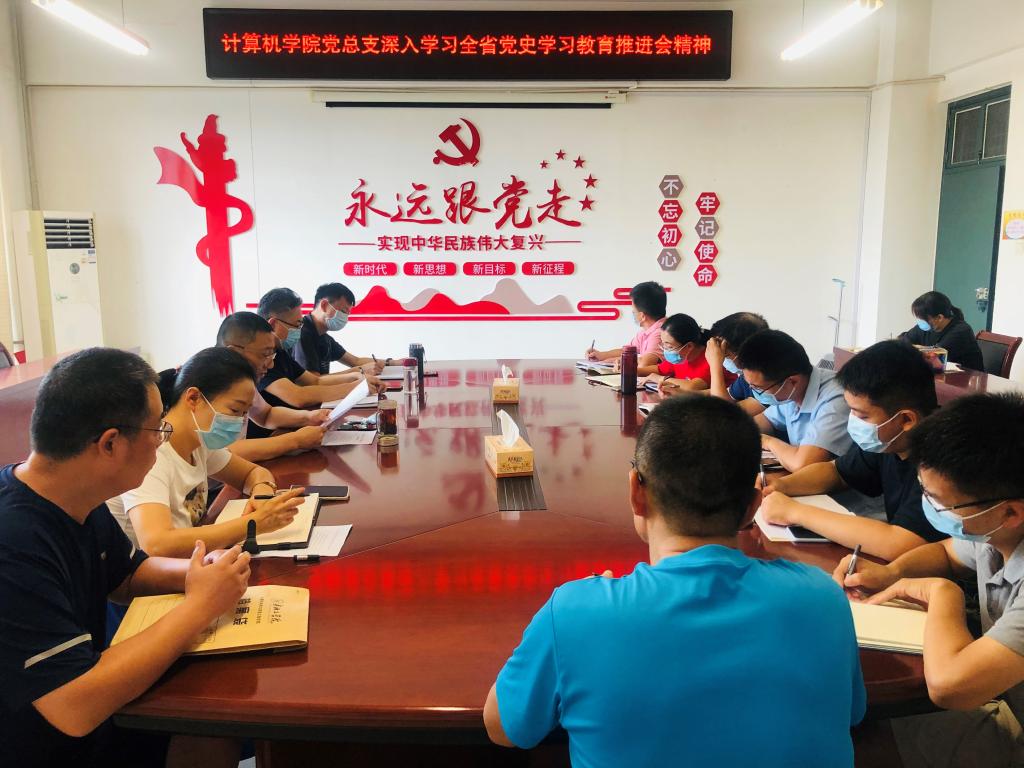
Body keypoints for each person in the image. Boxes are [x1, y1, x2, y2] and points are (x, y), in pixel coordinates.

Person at [485, 396, 865, 766]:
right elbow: (851, 713)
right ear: (752, 507)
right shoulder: (825, 598)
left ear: (636, 492)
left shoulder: (576, 613)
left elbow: (504, 729)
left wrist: (587, 600)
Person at [0, 348, 252, 767]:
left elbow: (128, 574)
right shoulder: (14, 542)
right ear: (110, 444)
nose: (161, 440)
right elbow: (73, 706)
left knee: (220, 720)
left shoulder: (75, 495)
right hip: (51, 740)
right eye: (157, 430)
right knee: (216, 717)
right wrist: (200, 606)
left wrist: (200, 572)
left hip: (90, 710)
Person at [835, 393, 1024, 768]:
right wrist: (891, 573)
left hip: (1010, 720)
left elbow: (949, 687)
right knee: (846, 730)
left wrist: (943, 594)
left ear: (1010, 513)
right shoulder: (994, 529)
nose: (931, 508)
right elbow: (947, 554)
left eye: (941, 503)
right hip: (1002, 694)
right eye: (924, 491)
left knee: (853, 749)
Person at [106, 347, 304, 558]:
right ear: (193, 398)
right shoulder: (152, 453)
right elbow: (156, 544)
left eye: (244, 413)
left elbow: (253, 473)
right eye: (235, 410)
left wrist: (262, 496)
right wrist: (254, 523)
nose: (240, 422)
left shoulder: (199, 442)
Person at [761, 340, 945, 560]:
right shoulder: (889, 441)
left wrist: (795, 512)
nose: (854, 421)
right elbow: (837, 472)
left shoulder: (942, 458)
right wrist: (780, 486)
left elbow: (901, 542)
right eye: (851, 411)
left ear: (906, 419)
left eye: (862, 415)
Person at [255, 288, 381, 436]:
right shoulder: (260, 358)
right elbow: (298, 396)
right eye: (297, 325)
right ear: (273, 324)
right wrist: (356, 387)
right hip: (272, 435)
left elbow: (315, 381)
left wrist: (356, 378)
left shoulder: (279, 352)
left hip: (291, 426)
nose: (299, 330)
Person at [216, 311, 330, 459]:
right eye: (265, 355)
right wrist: (295, 440)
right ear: (234, 353)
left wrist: (309, 417)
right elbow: (223, 453)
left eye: (272, 355)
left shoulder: (241, 379)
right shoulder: (210, 384)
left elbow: (266, 415)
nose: (270, 365)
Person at [737, 330, 853, 472]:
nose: (754, 392)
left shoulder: (837, 398)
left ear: (792, 381)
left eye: (758, 388)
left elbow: (803, 464)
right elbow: (759, 424)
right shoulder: (793, 392)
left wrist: (767, 441)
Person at [294, 282, 389, 376]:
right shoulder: (301, 333)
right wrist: (360, 371)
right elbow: (313, 380)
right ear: (324, 305)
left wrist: (392, 362)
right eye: (343, 311)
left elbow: (356, 361)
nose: (345, 318)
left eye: (347, 314)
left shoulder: (323, 337)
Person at [585, 281, 666, 373]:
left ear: (642, 316)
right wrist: (601, 355)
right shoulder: (645, 331)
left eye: (633, 311)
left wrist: (617, 360)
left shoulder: (661, 332)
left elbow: (644, 364)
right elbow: (626, 351)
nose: (632, 314)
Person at [643, 313, 729, 393]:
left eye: (669, 347)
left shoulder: (710, 357)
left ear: (689, 346)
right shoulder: (680, 357)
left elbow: (693, 386)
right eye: (663, 343)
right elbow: (659, 369)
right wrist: (636, 371)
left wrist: (661, 379)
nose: (665, 350)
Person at [703, 311, 769, 415]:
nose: (723, 360)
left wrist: (715, 365)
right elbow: (724, 394)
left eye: (725, 355)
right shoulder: (745, 377)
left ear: (744, 353)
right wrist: (680, 393)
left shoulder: (771, 381)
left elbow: (725, 413)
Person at [900, 290, 983, 370]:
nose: (920, 321)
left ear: (939, 318)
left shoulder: (961, 331)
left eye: (923, 318)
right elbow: (902, 342)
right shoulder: (925, 327)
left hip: (965, 377)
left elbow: (935, 355)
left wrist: (913, 348)